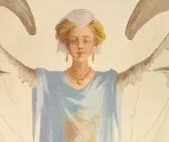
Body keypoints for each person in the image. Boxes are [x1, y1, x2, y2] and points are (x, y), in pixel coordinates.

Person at [31, 10, 122, 142]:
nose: (80, 46)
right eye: (74, 40)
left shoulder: (107, 83)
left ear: (95, 43)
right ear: (66, 43)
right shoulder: (49, 82)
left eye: (86, 40)